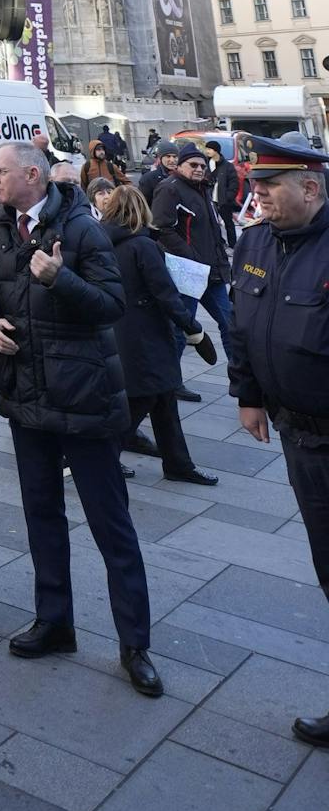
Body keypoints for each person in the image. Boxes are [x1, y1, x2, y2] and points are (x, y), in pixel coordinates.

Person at [0, 142, 163, 698]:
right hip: (29, 398)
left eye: (0, 172)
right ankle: (54, 621)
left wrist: (61, 278)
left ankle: (135, 645)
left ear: (31, 176)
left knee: (112, 527)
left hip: (84, 398)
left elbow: (112, 306)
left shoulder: (83, 229)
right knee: (41, 515)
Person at [228, 132, 329, 747]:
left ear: (311, 188)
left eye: (269, 186)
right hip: (299, 438)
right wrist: (248, 393)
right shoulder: (257, 242)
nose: (256, 195)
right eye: (255, 185)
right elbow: (243, 324)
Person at [98, 184, 217, 484]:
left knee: (164, 400)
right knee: (144, 401)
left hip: (120, 331)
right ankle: (101, 458)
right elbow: (165, 293)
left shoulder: (100, 241)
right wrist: (193, 327)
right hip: (147, 335)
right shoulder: (142, 246)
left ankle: (178, 464)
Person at [152, 142, 234, 361]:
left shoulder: (203, 188)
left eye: (202, 165)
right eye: (193, 165)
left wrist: (222, 262)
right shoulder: (170, 188)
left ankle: (240, 377)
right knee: (181, 328)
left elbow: (212, 230)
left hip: (212, 272)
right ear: (179, 166)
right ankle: (172, 383)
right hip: (187, 273)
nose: (199, 169)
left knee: (230, 324)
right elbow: (161, 228)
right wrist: (190, 257)